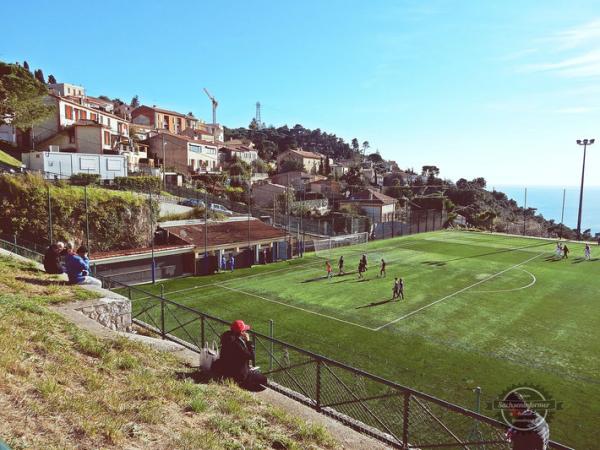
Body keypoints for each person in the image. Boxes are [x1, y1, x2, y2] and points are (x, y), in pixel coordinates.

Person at [213, 320, 267, 392]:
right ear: (241, 332)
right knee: (264, 380)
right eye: (244, 331)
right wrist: (248, 341)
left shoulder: (227, 338)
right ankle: (243, 385)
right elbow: (251, 356)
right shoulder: (237, 344)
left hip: (226, 371)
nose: (246, 332)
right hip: (238, 376)